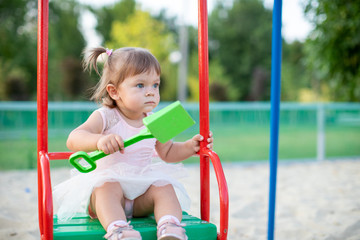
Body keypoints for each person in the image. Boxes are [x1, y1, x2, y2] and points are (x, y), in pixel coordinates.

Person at [53, 47, 213, 240]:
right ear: (114, 92)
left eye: (155, 85)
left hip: (140, 193)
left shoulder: (154, 121)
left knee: (164, 186)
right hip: (109, 195)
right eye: (140, 85)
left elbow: (168, 152)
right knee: (106, 187)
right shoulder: (106, 117)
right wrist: (99, 140)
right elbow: (74, 138)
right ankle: (118, 229)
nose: (150, 92)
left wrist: (190, 147)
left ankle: (169, 226)